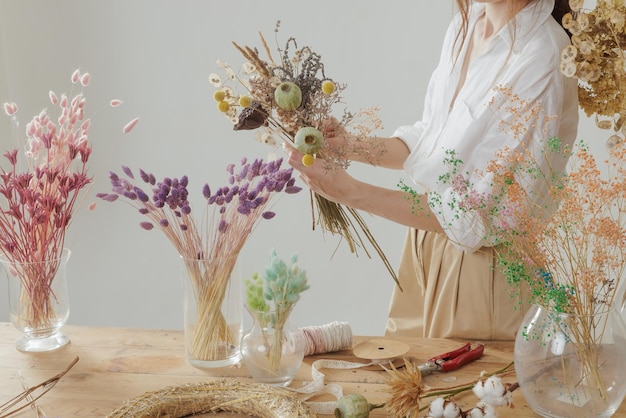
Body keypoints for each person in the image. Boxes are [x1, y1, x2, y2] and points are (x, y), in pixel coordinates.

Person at [285, 0, 579, 340]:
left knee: (467, 391)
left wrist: (351, 192)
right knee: (406, 385)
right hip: (426, 244)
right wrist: (346, 145)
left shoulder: (543, 52)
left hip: (486, 268)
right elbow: (433, 144)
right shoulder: (466, 27)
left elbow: (475, 218)